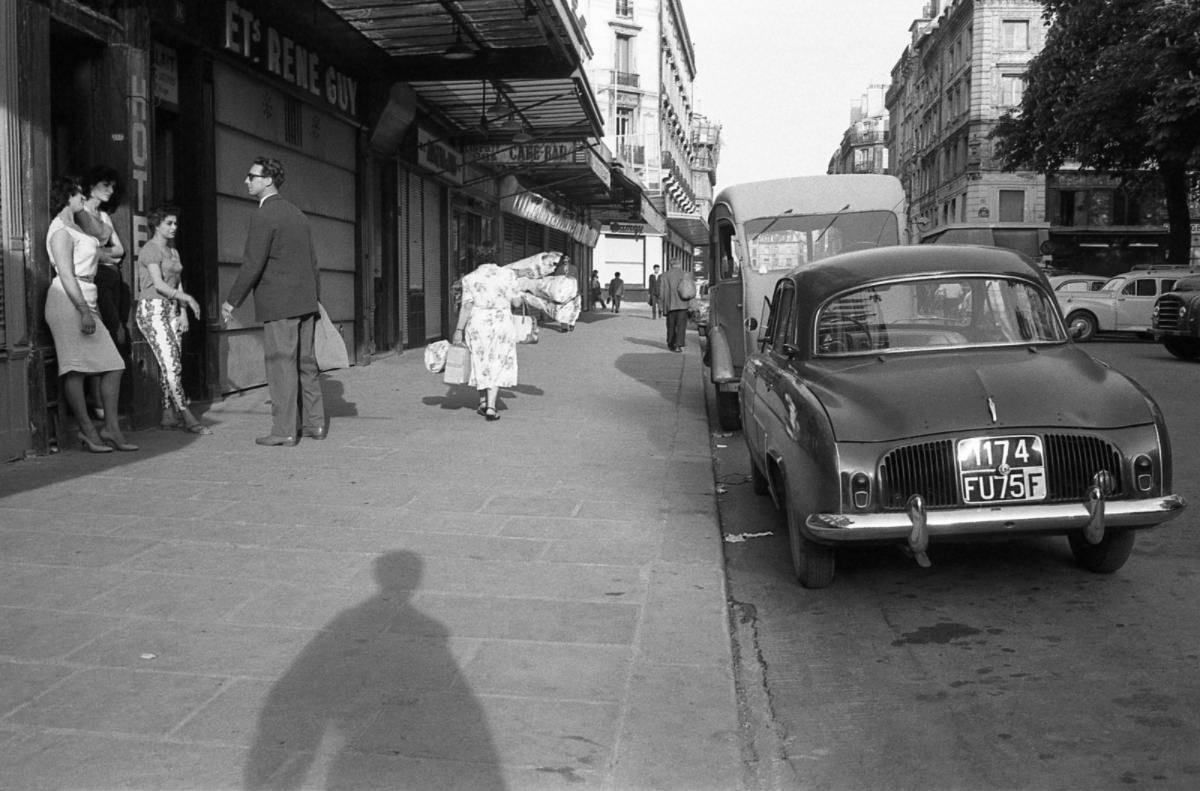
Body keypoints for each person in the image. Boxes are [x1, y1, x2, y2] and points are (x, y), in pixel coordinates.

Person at [221, 157, 326, 446]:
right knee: (307, 364)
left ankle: (284, 431)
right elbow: (313, 262)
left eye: (252, 176)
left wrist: (232, 301)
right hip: (305, 303)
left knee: (281, 366)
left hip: (280, 304)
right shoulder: (298, 215)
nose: (247, 181)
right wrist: (315, 299)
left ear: (268, 180)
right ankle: (315, 425)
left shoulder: (264, 215)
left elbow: (253, 263)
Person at [43, 174, 136, 452]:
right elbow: (67, 274)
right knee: (75, 368)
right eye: (78, 195)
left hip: (88, 296)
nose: (83, 199)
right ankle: (87, 430)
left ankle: (110, 428)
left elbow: (105, 237)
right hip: (68, 300)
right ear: (67, 197)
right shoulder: (59, 230)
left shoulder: (78, 225)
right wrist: (83, 310)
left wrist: (83, 213)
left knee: (114, 364)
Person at [135, 205, 210, 435]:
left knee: (172, 362)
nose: (174, 227)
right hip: (152, 308)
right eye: (169, 223)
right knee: (171, 364)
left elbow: (177, 282)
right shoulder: (150, 250)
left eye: (175, 223)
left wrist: (183, 311)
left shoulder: (173, 252)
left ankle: (168, 414)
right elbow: (158, 284)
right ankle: (186, 415)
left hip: (172, 310)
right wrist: (187, 298)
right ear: (156, 225)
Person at [76, 165, 129, 420]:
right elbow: (88, 251)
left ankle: (103, 402)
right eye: (106, 185)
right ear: (92, 185)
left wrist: (104, 255)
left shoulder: (105, 217)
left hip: (112, 280)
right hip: (94, 280)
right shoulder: (81, 213)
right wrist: (106, 256)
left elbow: (120, 250)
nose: (110, 190)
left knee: (114, 336)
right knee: (107, 336)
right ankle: (96, 400)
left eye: (113, 186)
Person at [451, 243, 521, 421]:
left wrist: (458, 330)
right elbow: (516, 303)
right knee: (497, 360)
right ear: (495, 256)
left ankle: (482, 401)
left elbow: (466, 306)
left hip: (478, 323)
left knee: (479, 360)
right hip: (502, 323)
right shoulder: (508, 274)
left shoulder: (469, 278)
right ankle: (491, 406)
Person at [658, 260, 694, 352]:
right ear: (679, 264)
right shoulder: (686, 274)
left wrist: (661, 305)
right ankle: (678, 345)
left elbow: (661, 293)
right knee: (681, 326)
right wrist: (692, 304)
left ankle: (670, 343)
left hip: (670, 305)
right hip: (683, 304)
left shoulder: (664, 275)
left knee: (671, 325)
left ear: (670, 265)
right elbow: (691, 290)